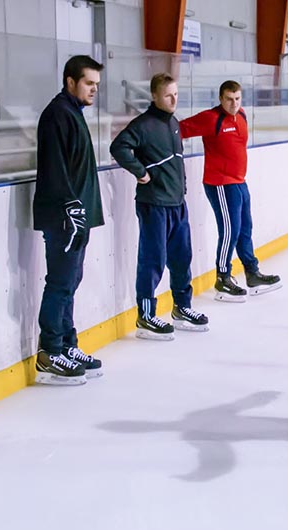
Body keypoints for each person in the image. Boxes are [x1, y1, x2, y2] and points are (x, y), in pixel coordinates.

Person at [110, 73, 209, 341]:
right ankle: (146, 315)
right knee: (153, 260)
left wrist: (182, 189)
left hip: (177, 203)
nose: (174, 100)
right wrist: (140, 172)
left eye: (176, 94)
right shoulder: (143, 125)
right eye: (168, 95)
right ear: (155, 96)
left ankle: (182, 307)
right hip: (154, 204)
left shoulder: (173, 123)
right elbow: (118, 147)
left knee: (182, 258)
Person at [33, 55, 105, 385]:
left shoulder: (72, 113)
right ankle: (50, 351)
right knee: (60, 283)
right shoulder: (57, 115)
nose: (94, 89)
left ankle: (66, 344)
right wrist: (71, 210)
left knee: (70, 282)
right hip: (65, 219)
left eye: (96, 84)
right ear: (70, 82)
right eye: (89, 83)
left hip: (77, 217)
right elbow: (55, 170)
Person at [179, 80, 281, 302]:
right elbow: (178, 130)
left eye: (237, 99)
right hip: (220, 184)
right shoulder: (211, 118)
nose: (234, 103)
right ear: (220, 99)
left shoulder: (241, 115)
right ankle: (223, 277)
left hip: (239, 181)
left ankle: (252, 273)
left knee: (245, 228)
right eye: (229, 99)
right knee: (230, 230)